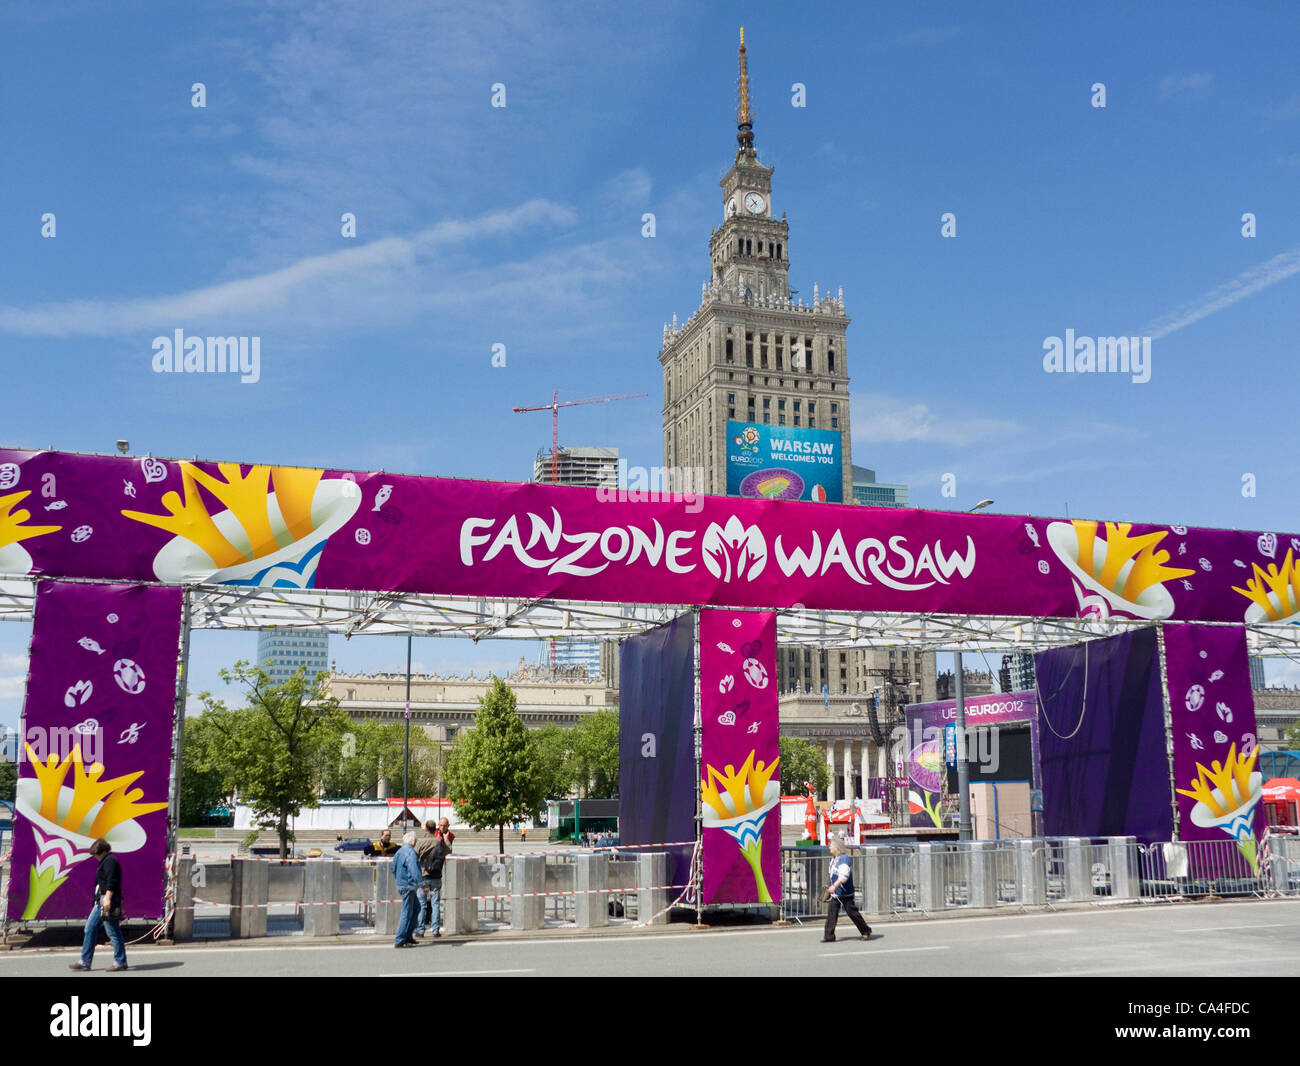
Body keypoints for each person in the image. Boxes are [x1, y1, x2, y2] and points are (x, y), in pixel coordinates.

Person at [69, 838, 127, 972]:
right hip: (100, 901)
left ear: (104, 851)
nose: (95, 857)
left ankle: (120, 961)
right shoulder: (105, 861)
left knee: (113, 932)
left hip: (107, 900)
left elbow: (112, 881)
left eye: (96, 854)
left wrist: (108, 899)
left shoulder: (110, 861)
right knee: (90, 928)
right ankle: (85, 961)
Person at [821, 837, 871, 943]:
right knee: (832, 914)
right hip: (836, 893)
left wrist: (834, 886)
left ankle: (865, 930)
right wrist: (830, 887)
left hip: (845, 892)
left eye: (831, 846)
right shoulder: (834, 859)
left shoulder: (844, 859)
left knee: (852, 913)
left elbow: (844, 876)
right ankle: (829, 936)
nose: (829, 847)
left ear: (837, 847)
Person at [414, 820, 451, 938]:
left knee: (422, 904)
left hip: (423, 876)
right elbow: (449, 850)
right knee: (435, 904)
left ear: (426, 829)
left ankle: (420, 930)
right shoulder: (439, 842)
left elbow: (414, 855)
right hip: (436, 876)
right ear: (435, 829)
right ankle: (435, 930)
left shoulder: (421, 842)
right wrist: (446, 839)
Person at [392, 830, 423, 948]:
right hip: (408, 885)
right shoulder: (411, 853)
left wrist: (399, 879)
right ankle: (400, 939)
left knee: (416, 908)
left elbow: (393, 868)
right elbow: (414, 870)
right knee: (407, 912)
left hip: (402, 884)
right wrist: (422, 884)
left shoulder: (399, 851)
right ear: (414, 842)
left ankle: (408, 936)